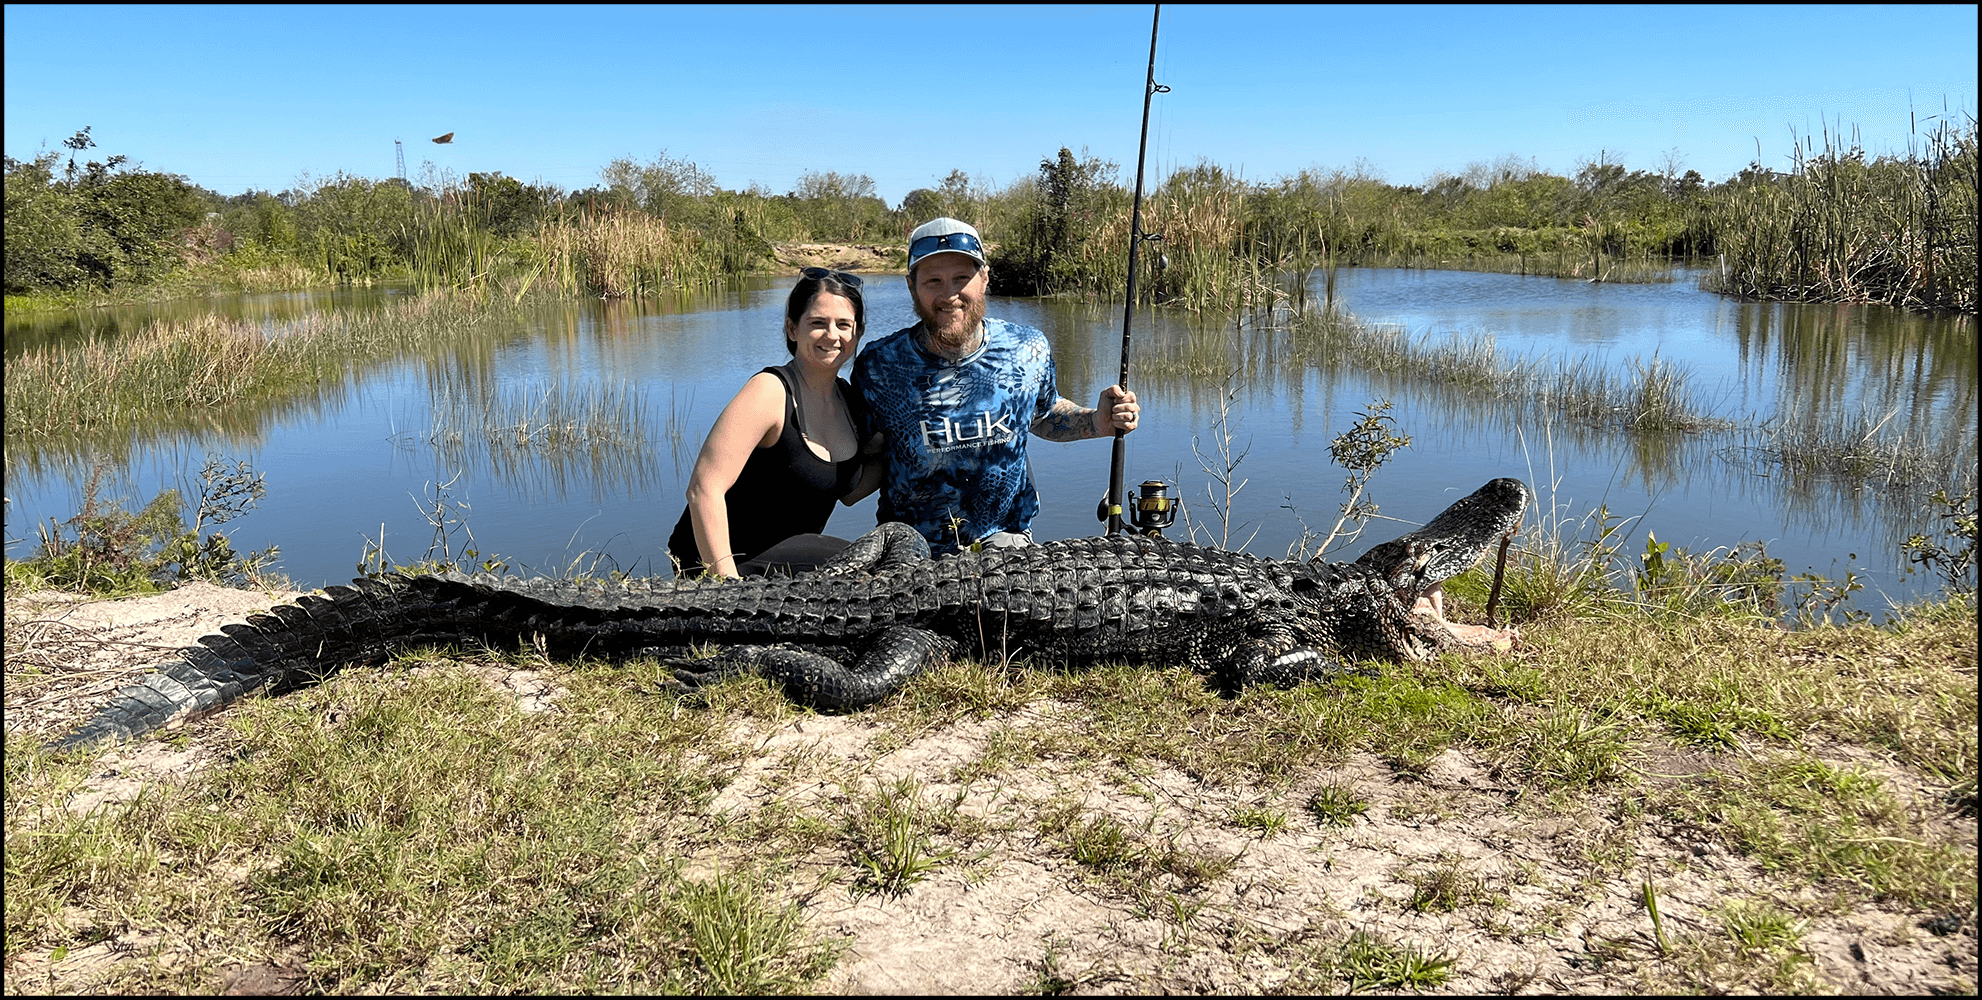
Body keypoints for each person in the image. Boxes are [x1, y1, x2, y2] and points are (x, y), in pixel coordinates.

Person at [853, 217, 1140, 555]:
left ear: (985, 278)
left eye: (962, 278)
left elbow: (1042, 415)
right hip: (910, 544)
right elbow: (858, 453)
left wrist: (1096, 422)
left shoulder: (1027, 348)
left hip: (1006, 539)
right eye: (933, 281)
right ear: (911, 285)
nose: (950, 294)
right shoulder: (879, 365)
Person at [667, 268, 880, 577]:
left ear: (857, 333)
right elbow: (704, 488)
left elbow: (849, 490)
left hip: (788, 563)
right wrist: (726, 586)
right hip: (724, 563)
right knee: (859, 569)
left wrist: (910, 454)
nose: (832, 335)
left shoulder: (848, 400)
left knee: (874, 559)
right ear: (792, 329)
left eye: (843, 325)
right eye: (817, 323)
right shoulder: (769, 392)